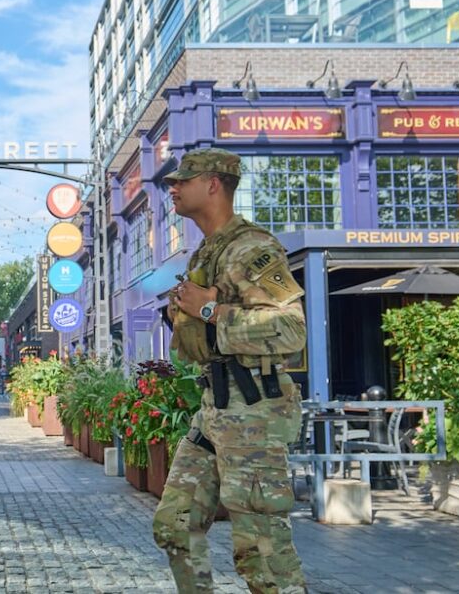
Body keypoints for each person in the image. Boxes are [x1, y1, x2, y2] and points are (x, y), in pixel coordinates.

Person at [152, 148, 308, 594]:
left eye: (184, 180)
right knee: (175, 526)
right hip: (215, 408)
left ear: (214, 184)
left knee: (262, 552)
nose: (174, 188)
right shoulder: (207, 251)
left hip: (252, 410)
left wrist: (210, 310)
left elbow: (291, 329)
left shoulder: (253, 249)